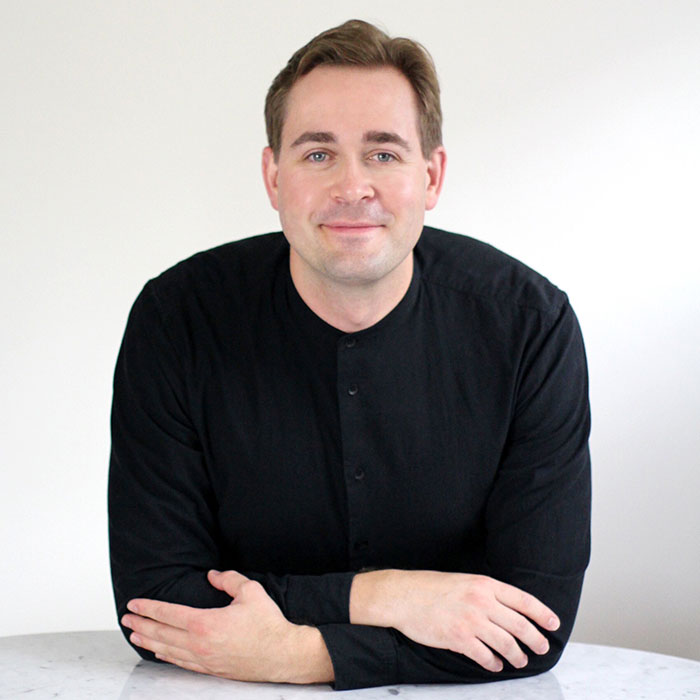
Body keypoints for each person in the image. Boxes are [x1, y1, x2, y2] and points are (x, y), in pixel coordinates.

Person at [109, 19, 591, 691]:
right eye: (317, 154)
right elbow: (155, 602)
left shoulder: (530, 326)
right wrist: (389, 596)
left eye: (384, 153)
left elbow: (532, 625)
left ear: (432, 175)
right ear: (273, 176)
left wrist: (298, 655)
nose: (351, 185)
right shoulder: (176, 319)